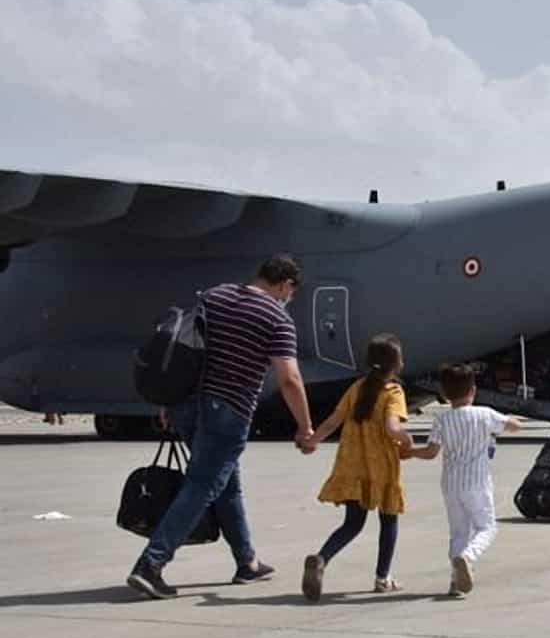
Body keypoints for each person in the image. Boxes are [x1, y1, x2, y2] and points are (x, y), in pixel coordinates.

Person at [127, 253, 312, 599]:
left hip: (186, 404)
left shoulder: (216, 295)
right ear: (285, 285)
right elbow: (289, 379)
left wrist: (169, 400)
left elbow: (183, 348)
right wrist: (305, 426)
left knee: (227, 485)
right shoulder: (277, 318)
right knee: (201, 486)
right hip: (227, 410)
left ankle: (247, 562)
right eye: (291, 292)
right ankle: (150, 565)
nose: (289, 298)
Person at [299, 334, 412, 601]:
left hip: (352, 466)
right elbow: (392, 427)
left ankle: (322, 558)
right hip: (381, 468)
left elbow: (332, 421)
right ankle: (383, 578)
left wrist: (312, 441)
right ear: (396, 364)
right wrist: (407, 439)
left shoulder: (357, 387)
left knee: (352, 524)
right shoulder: (393, 392)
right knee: (389, 520)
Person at [410, 363, 521, 597]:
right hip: (477, 482)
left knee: (458, 532)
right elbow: (513, 426)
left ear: (444, 393)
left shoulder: (442, 419)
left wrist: (410, 451)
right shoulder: (484, 414)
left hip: (451, 484)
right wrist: (513, 420)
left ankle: (455, 582)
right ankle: (468, 557)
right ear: (473, 390)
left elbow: (431, 452)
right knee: (487, 527)